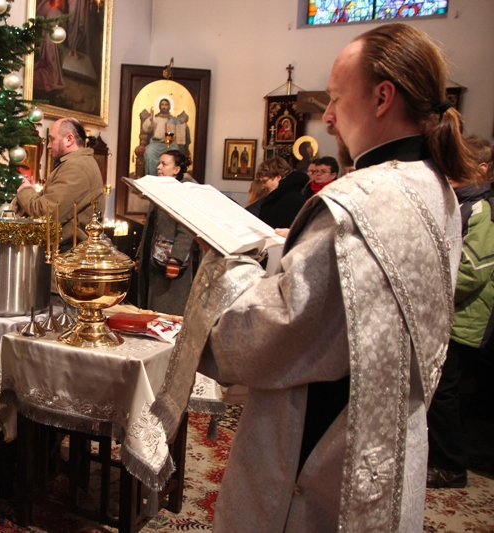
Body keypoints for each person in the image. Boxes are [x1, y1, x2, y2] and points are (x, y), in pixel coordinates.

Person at [149, 23, 479, 532]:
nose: (326, 117)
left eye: (335, 98)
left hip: (318, 441)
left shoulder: (357, 206)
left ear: (382, 98)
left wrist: (229, 265)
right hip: (386, 436)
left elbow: (279, 332)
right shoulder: (436, 189)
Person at [426, 135, 494, 489]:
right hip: (446, 313)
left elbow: (471, 272)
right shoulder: (460, 204)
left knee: (443, 392)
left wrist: (426, 291)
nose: (448, 170)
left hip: (463, 317)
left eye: (458, 163)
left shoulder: (482, 210)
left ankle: (452, 466)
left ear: (481, 170)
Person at [13, 117, 103, 249]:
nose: (48, 145)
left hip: (68, 252)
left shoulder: (76, 168)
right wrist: (32, 192)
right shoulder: (75, 163)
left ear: (69, 139)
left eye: (52, 139)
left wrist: (25, 190)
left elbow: (46, 213)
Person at [135, 150, 196, 316]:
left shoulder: (183, 194)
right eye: (158, 163)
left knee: (167, 307)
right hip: (153, 259)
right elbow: (150, 227)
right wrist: (141, 254)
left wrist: (176, 258)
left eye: (164, 164)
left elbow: (186, 229)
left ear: (177, 169)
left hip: (169, 260)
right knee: (151, 307)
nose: (158, 167)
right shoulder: (160, 191)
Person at [256, 155, 309, 229]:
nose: (263, 187)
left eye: (264, 182)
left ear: (278, 177)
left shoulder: (291, 200)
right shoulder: (280, 197)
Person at [141, 98, 190, 176]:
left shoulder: (173, 119)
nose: (164, 107)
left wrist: (184, 127)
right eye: (162, 105)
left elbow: (180, 130)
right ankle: (153, 176)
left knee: (176, 151)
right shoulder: (155, 118)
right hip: (156, 144)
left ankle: (172, 176)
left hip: (169, 144)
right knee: (150, 152)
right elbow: (146, 129)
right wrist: (150, 118)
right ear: (159, 106)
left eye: (166, 105)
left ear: (169, 107)